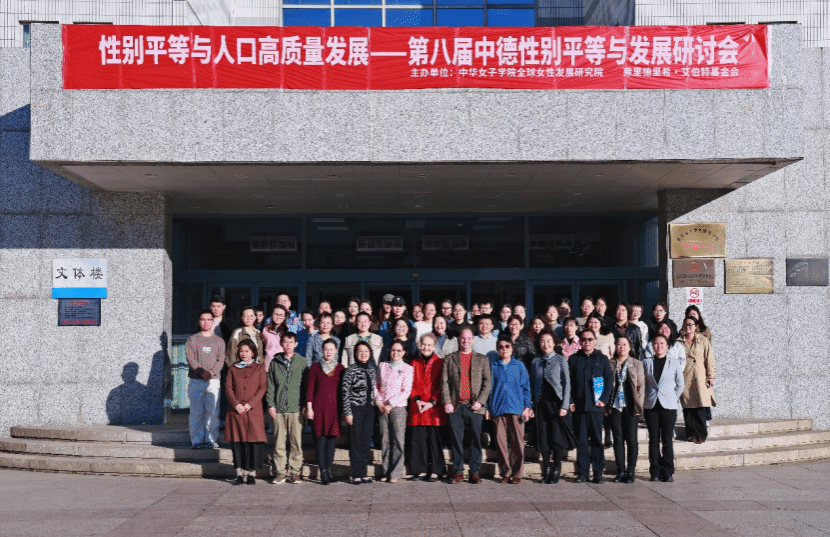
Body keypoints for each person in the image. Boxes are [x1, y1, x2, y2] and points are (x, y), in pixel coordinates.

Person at [442, 327, 492, 484]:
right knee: (456, 440)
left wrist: (481, 401)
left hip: (474, 406)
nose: (465, 341)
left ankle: (474, 472)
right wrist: (447, 401)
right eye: (463, 338)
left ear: (473, 340)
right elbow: (444, 382)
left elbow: (487, 382)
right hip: (455, 406)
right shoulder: (450, 358)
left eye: (468, 338)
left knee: (476, 439)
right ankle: (457, 472)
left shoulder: (482, 359)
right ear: (459, 339)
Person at [569, 328, 613, 483]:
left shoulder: (602, 359)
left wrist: (604, 399)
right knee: (581, 441)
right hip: (579, 407)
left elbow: (609, 380)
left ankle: (598, 473)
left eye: (590, 339)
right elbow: (568, 383)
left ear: (595, 341)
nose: (586, 342)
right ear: (580, 342)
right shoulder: (574, 359)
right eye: (583, 339)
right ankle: (583, 473)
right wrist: (570, 400)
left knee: (597, 441)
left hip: (596, 407)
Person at [486, 339, 533, 484]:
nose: (504, 349)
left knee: (517, 442)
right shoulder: (493, 366)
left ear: (512, 349)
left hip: (516, 408)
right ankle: (505, 472)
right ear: (498, 350)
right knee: (500, 442)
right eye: (501, 347)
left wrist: (527, 407)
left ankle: (517, 473)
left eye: (507, 346)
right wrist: (487, 408)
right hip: (498, 408)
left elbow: (526, 387)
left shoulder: (519, 366)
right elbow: (488, 388)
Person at [266, 332, 308, 485]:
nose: (288, 345)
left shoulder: (302, 362)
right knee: (279, 442)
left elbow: (305, 386)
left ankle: (295, 472)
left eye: (291, 342)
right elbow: (270, 385)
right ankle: (280, 472)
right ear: (281, 344)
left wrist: (305, 404)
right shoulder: (275, 362)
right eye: (285, 342)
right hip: (279, 407)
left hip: (296, 407)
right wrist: (271, 404)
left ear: (296, 344)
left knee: (296, 442)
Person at [530, 330, 572, 484]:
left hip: (556, 404)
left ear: (554, 343)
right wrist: (531, 405)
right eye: (542, 341)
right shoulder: (535, 361)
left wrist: (565, 405)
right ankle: (546, 468)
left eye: (548, 341)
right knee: (543, 437)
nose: (545, 344)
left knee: (556, 437)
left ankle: (556, 468)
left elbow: (567, 384)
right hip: (540, 404)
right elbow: (532, 384)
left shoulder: (560, 360)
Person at [642, 334, 684, 482]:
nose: (659, 346)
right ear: (652, 346)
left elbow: (680, 384)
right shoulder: (646, 362)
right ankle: (654, 471)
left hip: (668, 406)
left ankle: (667, 471)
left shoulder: (674, 362)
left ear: (667, 346)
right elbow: (642, 383)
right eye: (656, 343)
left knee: (667, 439)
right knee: (653, 439)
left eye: (662, 343)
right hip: (651, 405)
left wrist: (672, 397)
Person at [225, 340, 267, 485]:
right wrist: (236, 404)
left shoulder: (259, 368)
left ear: (253, 353)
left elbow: (262, 388)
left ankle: (251, 474)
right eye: (241, 351)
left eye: (247, 351)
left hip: (253, 411)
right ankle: (238, 473)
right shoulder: (232, 368)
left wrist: (250, 404)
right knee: (237, 442)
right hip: (236, 411)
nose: (244, 354)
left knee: (253, 443)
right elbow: (228, 388)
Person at [306, 339, 345, 485]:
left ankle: (329, 470)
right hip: (318, 409)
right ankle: (323, 472)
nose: (328, 352)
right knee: (320, 440)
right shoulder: (315, 367)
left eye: (331, 349)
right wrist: (309, 407)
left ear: (336, 351)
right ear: (322, 351)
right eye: (326, 349)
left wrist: (343, 411)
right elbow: (310, 389)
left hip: (334, 409)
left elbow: (342, 392)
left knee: (331, 440)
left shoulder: (340, 368)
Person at [409, 335, 447, 481]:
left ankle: (436, 470)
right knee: (418, 439)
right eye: (423, 344)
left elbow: (442, 385)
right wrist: (417, 399)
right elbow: (410, 384)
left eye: (429, 345)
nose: (426, 347)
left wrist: (433, 402)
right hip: (417, 406)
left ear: (434, 346)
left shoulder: (440, 362)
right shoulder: (414, 362)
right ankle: (420, 469)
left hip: (433, 408)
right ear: (419, 345)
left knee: (434, 440)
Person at [606, 336, 645, 483]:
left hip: (631, 406)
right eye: (619, 344)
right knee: (618, 438)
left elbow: (641, 386)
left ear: (629, 347)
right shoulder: (610, 363)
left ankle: (631, 471)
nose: (621, 347)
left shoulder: (636, 363)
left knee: (632, 439)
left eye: (624, 344)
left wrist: (639, 406)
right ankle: (620, 470)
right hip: (615, 405)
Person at [186, 310, 225, 449]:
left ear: (213, 322)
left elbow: (221, 360)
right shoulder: (192, 340)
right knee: (196, 412)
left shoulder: (219, 341)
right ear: (199, 321)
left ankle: (211, 439)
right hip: (196, 380)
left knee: (213, 412)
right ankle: (196, 440)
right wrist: (201, 372)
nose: (206, 322)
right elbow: (190, 359)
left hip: (213, 381)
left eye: (209, 319)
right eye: (203, 319)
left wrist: (212, 373)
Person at [376, 340, 414, 483]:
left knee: (398, 440)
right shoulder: (383, 365)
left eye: (398, 350)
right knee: (385, 440)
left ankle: (396, 473)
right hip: (382, 407)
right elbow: (376, 386)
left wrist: (391, 404)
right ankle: (386, 471)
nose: (395, 353)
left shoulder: (407, 368)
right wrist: (379, 401)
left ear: (403, 352)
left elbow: (406, 391)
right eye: (393, 350)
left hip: (397, 407)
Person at [342, 341, 379, 485]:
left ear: (370, 353)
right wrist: (348, 412)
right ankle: (356, 474)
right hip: (355, 408)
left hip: (369, 409)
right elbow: (345, 392)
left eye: (366, 351)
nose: (363, 354)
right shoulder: (350, 370)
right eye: (360, 351)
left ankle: (364, 473)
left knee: (365, 442)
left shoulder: (372, 369)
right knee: (356, 441)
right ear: (355, 354)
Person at [680, 317, 716, 444]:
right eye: (686, 325)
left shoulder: (703, 340)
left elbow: (709, 359)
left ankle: (701, 434)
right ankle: (691, 434)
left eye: (690, 325)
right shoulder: (679, 342)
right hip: (686, 376)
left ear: (696, 326)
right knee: (688, 406)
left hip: (700, 376)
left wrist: (711, 376)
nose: (688, 327)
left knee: (700, 405)